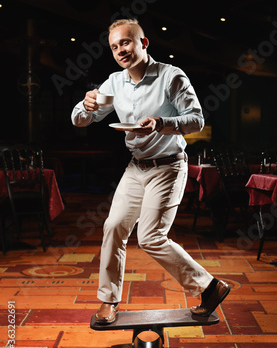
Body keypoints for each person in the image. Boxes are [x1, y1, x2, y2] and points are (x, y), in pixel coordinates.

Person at [71, 18, 230, 324]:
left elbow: (196, 119)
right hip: (136, 167)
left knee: (150, 237)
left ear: (143, 43)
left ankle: (210, 288)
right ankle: (109, 301)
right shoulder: (114, 83)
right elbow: (81, 120)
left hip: (169, 165)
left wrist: (162, 123)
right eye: (115, 46)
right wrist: (87, 105)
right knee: (113, 226)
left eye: (126, 42)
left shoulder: (171, 76)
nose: (121, 50)